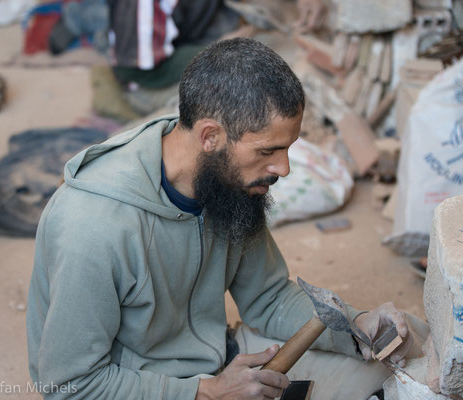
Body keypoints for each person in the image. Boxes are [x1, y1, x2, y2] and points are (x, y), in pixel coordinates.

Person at [27, 38, 418, 400]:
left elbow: (268, 297)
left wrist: (357, 324)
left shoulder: (226, 183)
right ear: (210, 136)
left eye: (288, 149)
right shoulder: (94, 225)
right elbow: (69, 383)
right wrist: (206, 392)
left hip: (219, 362)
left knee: (403, 357)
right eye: (269, 150)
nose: (282, 168)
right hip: (143, 388)